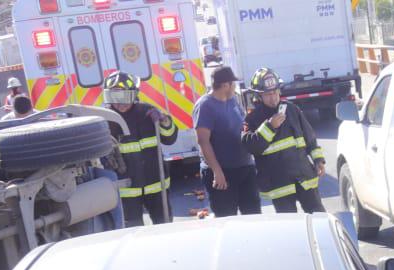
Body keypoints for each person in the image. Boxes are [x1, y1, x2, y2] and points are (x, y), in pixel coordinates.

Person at [241, 67, 325, 213]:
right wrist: (269, 127)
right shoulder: (252, 119)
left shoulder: (292, 109)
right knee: (290, 227)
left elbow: (310, 137)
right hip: (279, 185)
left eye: (275, 92)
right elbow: (250, 146)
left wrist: (318, 160)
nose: (273, 98)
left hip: (303, 178)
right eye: (267, 94)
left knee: (318, 217)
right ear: (259, 96)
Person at [103, 70, 178, 226]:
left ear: (134, 94)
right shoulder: (105, 119)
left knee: (165, 229)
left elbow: (170, 138)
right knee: (133, 233)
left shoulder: (147, 112)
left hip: (156, 187)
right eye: (114, 97)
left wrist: (164, 122)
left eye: (124, 97)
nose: (119, 103)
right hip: (127, 191)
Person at [193, 66, 260, 217]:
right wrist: (217, 172)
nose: (235, 86)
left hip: (245, 168)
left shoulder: (232, 100)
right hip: (222, 174)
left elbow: (243, 126)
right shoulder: (205, 106)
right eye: (233, 83)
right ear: (225, 85)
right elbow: (203, 141)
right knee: (227, 219)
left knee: (254, 216)